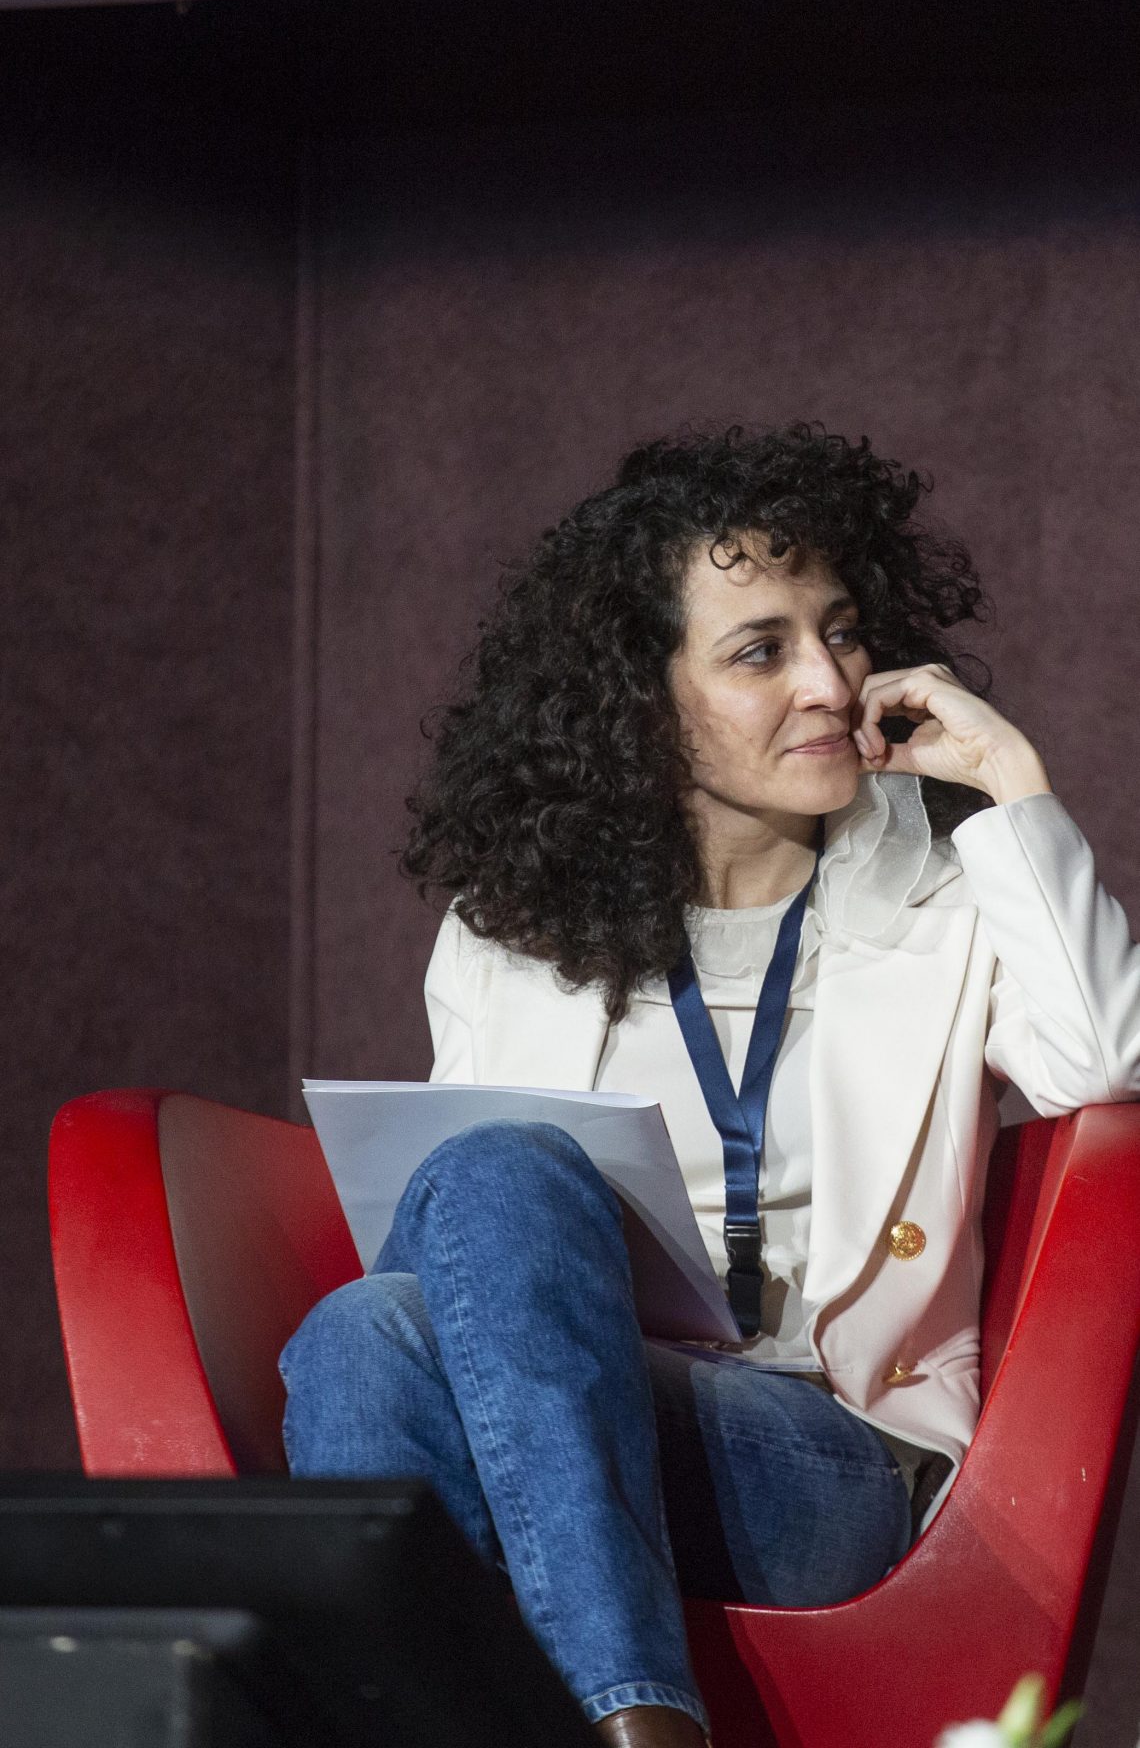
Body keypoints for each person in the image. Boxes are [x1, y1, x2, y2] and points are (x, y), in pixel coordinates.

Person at [279, 422, 1140, 1748]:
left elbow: (1106, 1059)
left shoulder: (954, 898)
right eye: (761, 652)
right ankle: (627, 1720)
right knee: (377, 1321)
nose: (830, 683)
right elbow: (464, 1274)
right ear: (642, 699)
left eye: (841, 633)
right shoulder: (506, 936)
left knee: (411, 1286)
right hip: (572, 1407)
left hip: (828, 1455)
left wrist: (1009, 784)